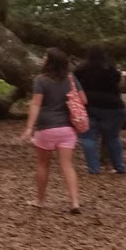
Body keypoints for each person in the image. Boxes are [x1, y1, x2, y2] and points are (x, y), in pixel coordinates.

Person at [22, 48, 81, 213]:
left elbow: (36, 104)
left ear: (50, 61)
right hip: (67, 129)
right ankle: (75, 202)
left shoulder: (41, 80)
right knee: (67, 165)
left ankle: (40, 200)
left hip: (46, 128)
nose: (42, 59)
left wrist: (29, 128)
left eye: (45, 57)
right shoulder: (71, 80)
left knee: (43, 164)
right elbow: (83, 99)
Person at [74, 47, 126, 175]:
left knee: (89, 138)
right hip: (113, 107)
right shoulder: (111, 70)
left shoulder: (80, 70)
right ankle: (119, 167)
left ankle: (94, 169)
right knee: (113, 138)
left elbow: (74, 86)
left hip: (88, 105)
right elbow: (120, 83)